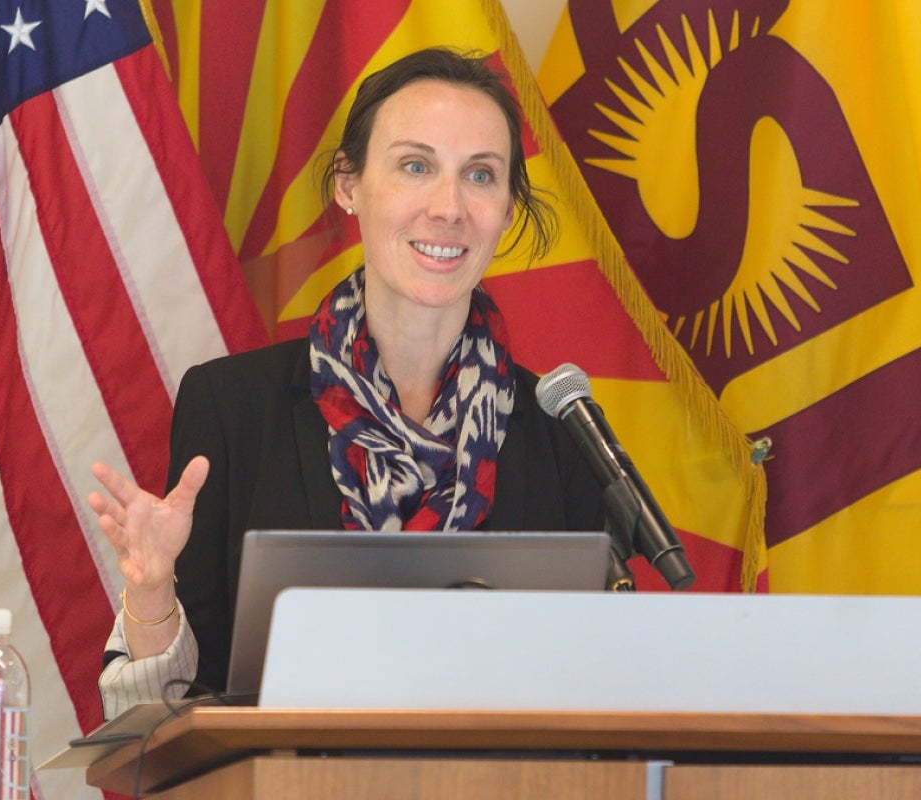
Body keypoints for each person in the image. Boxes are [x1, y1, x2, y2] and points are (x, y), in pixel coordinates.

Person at [88, 47, 606, 719]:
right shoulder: (233, 409)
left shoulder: (561, 435)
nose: (449, 207)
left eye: (480, 174)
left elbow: (587, 700)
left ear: (508, 208)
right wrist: (152, 592)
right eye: (415, 166)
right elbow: (163, 726)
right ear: (349, 183)